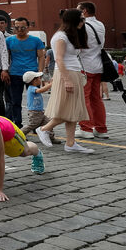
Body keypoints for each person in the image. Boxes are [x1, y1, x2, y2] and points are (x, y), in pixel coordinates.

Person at [34, 8, 94, 154]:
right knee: (67, 109)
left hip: (73, 72)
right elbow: (59, 58)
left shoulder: (69, 35)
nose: (83, 22)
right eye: (81, 19)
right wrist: (66, 79)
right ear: (72, 20)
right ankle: (44, 129)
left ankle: (70, 143)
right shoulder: (61, 37)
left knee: (73, 109)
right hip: (67, 73)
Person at [75, 1, 109, 139]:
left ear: (84, 11)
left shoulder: (83, 25)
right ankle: (100, 128)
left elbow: (79, 47)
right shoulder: (100, 24)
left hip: (85, 65)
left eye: (78, 10)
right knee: (96, 99)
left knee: (84, 99)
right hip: (98, 65)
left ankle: (86, 128)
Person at [5, 17, 45, 128]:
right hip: (15, 74)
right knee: (15, 101)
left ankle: (35, 126)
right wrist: (6, 71)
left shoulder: (35, 40)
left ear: (28, 28)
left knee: (35, 101)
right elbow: (6, 57)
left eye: (23, 27)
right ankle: (17, 125)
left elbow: (41, 57)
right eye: (17, 27)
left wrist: (40, 73)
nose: (20, 30)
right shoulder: (9, 41)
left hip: (33, 75)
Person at [19, 71, 58, 144]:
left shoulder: (33, 87)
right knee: (32, 125)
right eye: (39, 78)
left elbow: (42, 88)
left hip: (40, 111)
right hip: (34, 112)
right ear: (34, 80)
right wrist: (51, 85)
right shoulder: (31, 88)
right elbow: (41, 90)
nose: (40, 80)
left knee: (48, 123)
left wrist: (50, 83)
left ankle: (51, 137)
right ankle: (19, 134)